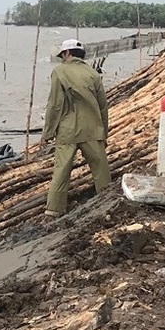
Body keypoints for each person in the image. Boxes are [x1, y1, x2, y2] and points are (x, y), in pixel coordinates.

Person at [42, 39, 111, 218]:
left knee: (62, 170)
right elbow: (103, 105)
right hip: (93, 128)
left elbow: (55, 104)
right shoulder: (93, 74)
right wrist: (104, 132)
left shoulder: (59, 71)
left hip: (68, 130)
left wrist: (48, 132)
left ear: (67, 54)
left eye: (63, 55)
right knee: (100, 168)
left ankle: (54, 210)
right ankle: (107, 203)